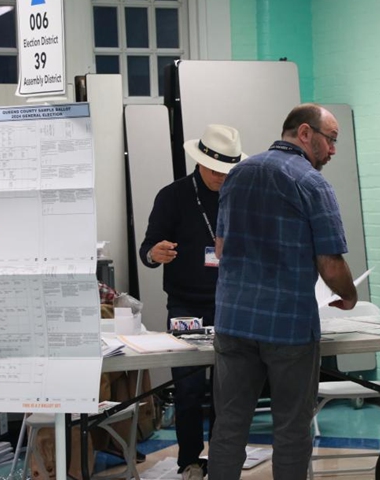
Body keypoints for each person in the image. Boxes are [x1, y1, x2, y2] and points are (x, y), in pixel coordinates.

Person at [208, 103, 357, 480]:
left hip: (233, 321)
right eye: (331, 140)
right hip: (288, 327)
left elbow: (221, 250)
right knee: (291, 430)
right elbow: (331, 263)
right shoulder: (312, 183)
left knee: (229, 426)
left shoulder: (238, 174)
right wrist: (350, 296)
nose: (334, 151)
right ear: (305, 134)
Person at [139, 124, 247, 480]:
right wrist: (156, 254)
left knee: (226, 389)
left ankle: (223, 460)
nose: (220, 176)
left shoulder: (241, 193)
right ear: (199, 161)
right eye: (214, 168)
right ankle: (189, 460)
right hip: (185, 304)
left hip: (230, 303)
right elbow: (148, 249)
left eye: (226, 170)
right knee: (187, 386)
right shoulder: (173, 196)